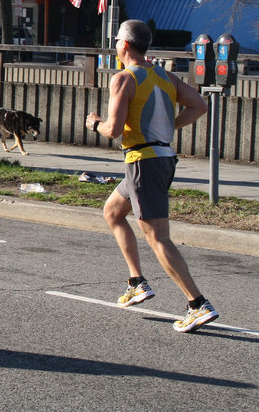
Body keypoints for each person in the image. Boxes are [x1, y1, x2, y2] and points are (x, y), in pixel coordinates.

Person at [85, 19, 216, 333]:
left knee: (158, 237)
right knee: (113, 212)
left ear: (125, 46)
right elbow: (199, 105)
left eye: (116, 41)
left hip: (143, 162)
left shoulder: (124, 78)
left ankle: (197, 304)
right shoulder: (164, 75)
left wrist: (93, 123)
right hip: (160, 158)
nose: (115, 45)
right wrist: (171, 126)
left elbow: (114, 130)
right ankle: (137, 282)